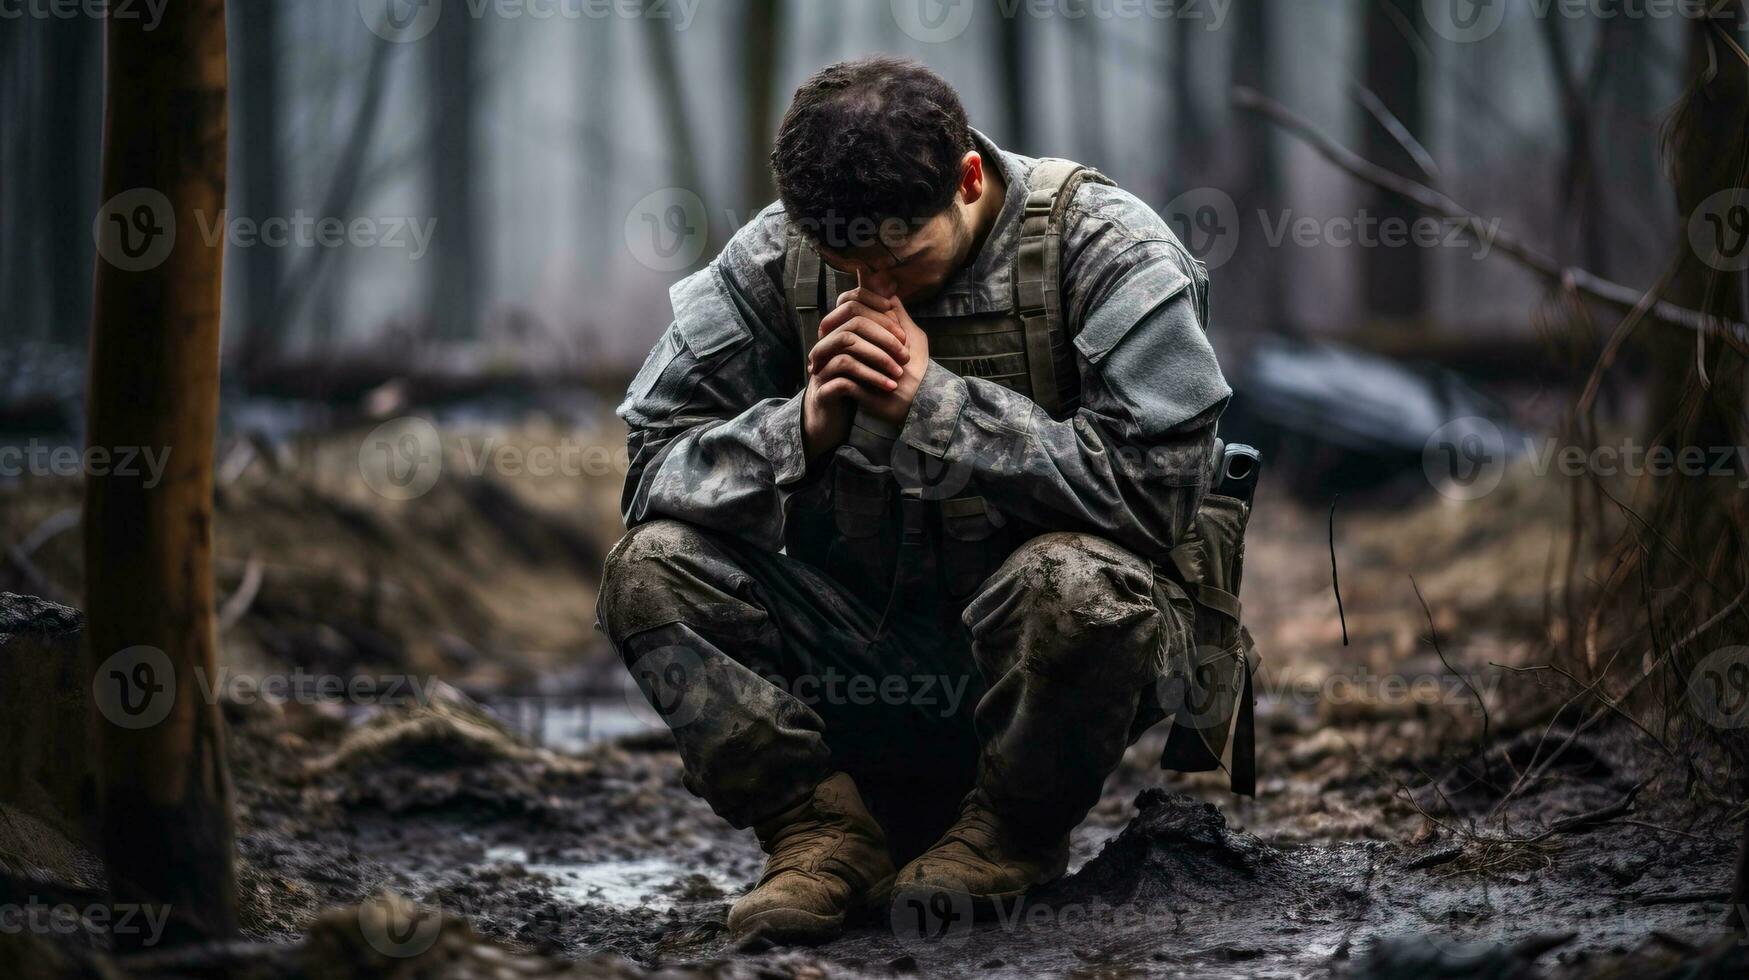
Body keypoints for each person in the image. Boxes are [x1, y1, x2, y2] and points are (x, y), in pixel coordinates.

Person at [597, 55, 1233, 945]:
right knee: (649, 571)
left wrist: (939, 408)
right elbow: (649, 465)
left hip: (1045, 670)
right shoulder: (774, 255)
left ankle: (1008, 834)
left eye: (898, 256)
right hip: (861, 649)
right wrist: (800, 432)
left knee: (1077, 586)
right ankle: (820, 833)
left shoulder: (1107, 251)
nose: (872, 288)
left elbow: (1162, 494)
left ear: (968, 178)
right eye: (843, 262)